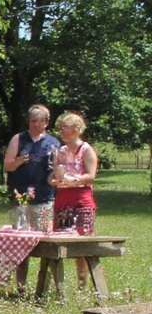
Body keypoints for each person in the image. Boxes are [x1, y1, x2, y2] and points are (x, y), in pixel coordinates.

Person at [3, 104, 59, 291]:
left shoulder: (53, 143)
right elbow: (7, 166)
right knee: (20, 244)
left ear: (46, 122)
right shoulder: (19, 139)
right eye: (32, 121)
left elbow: (58, 170)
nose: (35, 125)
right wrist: (18, 161)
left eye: (39, 121)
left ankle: (43, 287)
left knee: (46, 244)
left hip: (44, 198)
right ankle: (20, 287)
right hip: (20, 198)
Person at [50, 111, 98, 290]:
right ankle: (58, 287)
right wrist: (54, 180)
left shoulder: (86, 150)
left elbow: (91, 176)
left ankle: (84, 285)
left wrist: (74, 180)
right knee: (60, 244)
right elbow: (53, 175)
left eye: (65, 127)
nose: (61, 131)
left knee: (83, 245)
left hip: (81, 202)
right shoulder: (60, 151)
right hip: (62, 201)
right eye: (60, 128)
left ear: (77, 129)